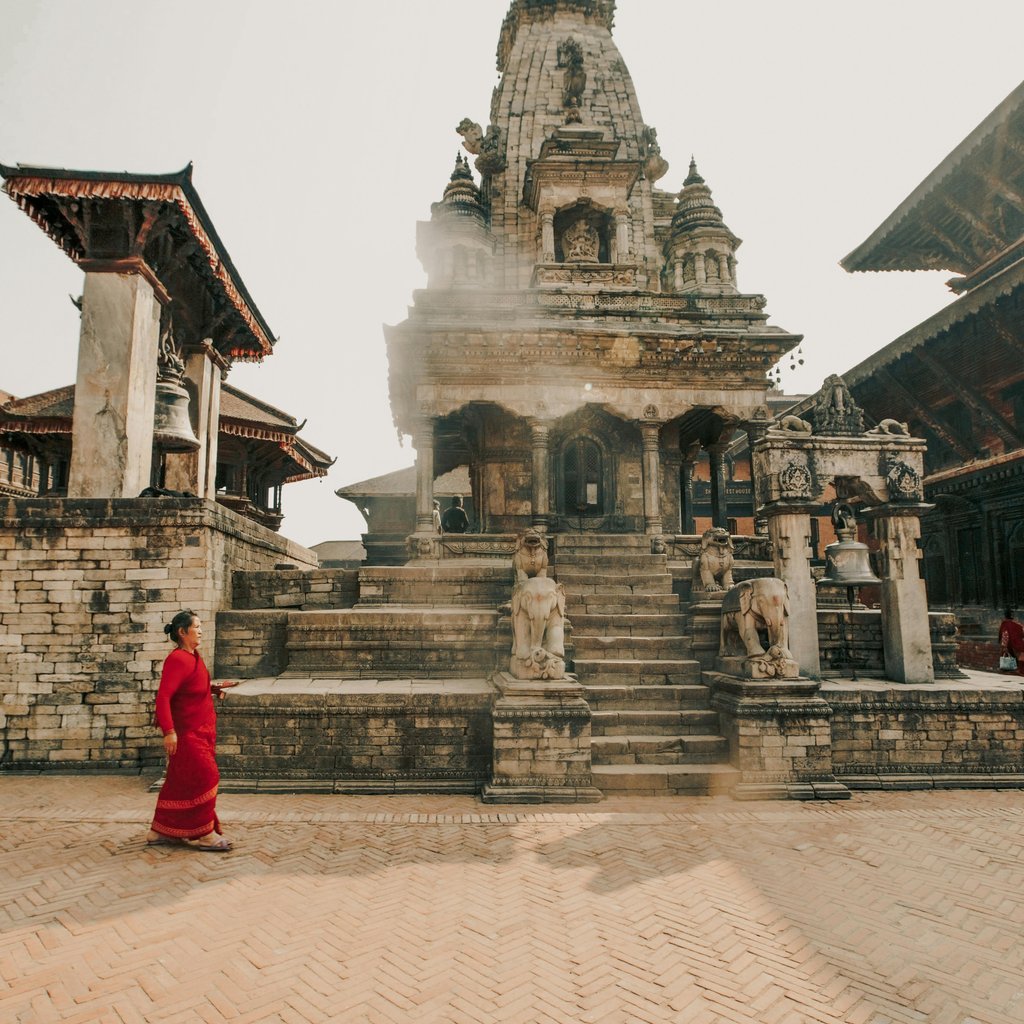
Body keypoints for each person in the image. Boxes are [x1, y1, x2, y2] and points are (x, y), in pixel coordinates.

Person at [146, 609, 238, 851]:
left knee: (179, 781)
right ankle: (202, 832)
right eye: (196, 627)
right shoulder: (177, 659)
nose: (200, 631)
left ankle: (160, 830)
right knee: (207, 777)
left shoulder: (193, 656)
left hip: (202, 730)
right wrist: (169, 731)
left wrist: (213, 689)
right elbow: (164, 697)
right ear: (182, 632)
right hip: (187, 734)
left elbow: (191, 688)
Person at [998, 609, 1024, 676]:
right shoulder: (1018, 624)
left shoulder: (1004, 624)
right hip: (1018, 643)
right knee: (1021, 654)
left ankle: (1019, 670)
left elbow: (1004, 634)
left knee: (1019, 655)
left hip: (1010, 643)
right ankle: (1020, 670)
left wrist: (1004, 645)